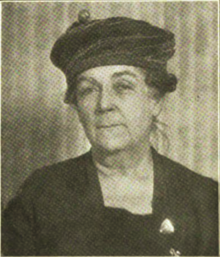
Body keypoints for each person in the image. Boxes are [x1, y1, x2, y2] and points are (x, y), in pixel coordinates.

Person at [2, 10, 218, 256]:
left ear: (155, 101)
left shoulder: (204, 202)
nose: (104, 104)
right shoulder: (40, 197)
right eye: (88, 90)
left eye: (123, 86)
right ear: (77, 106)